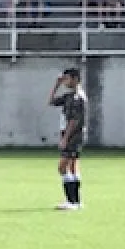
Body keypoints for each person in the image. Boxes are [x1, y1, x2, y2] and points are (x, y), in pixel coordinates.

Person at [51, 68, 88, 210]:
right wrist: (56, 85)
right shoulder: (69, 96)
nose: (65, 81)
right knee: (72, 167)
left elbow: (74, 120)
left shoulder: (77, 98)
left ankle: (71, 201)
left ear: (75, 79)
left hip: (73, 136)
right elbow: (51, 101)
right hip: (71, 135)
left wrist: (65, 138)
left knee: (62, 167)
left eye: (67, 78)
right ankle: (76, 201)